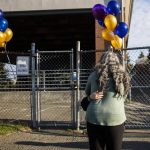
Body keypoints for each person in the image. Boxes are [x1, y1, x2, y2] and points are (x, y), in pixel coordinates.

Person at [85, 46, 131, 150]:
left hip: (94, 117)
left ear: (102, 60)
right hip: (116, 118)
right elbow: (124, 96)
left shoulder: (93, 75)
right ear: (117, 62)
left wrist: (92, 96)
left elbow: (87, 92)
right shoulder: (123, 77)